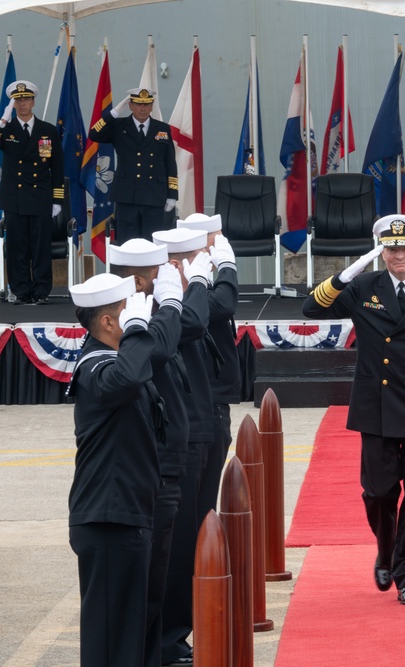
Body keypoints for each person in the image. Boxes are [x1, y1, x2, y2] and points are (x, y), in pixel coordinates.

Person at [302, 214, 405, 606]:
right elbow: (311, 309)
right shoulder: (364, 287)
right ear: (382, 253)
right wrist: (346, 274)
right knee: (377, 493)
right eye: (390, 249)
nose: (399, 255)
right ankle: (387, 549)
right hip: (376, 406)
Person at [66, 271, 181, 667]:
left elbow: (151, 358)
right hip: (108, 519)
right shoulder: (96, 367)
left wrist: (169, 307)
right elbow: (128, 376)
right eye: (127, 311)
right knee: (112, 640)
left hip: (129, 513)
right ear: (109, 322)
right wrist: (137, 329)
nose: (139, 319)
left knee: (134, 631)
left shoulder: (115, 361)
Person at [107, 239, 187, 667]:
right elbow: (159, 349)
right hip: (149, 468)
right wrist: (173, 303)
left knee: (156, 583)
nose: (170, 274)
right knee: (144, 588)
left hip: (162, 461)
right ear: (140, 281)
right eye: (162, 272)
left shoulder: (140, 312)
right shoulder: (126, 320)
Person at [151, 226, 213, 667]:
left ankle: (177, 634)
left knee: (189, 538)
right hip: (176, 436)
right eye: (198, 258)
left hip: (196, 426)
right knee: (174, 551)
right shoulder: (165, 300)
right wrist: (204, 283)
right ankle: (169, 639)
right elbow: (191, 324)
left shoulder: (183, 295)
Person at [175, 213, 241, 531]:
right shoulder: (189, 286)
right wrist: (228, 268)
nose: (222, 245)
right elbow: (223, 305)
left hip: (213, 396)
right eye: (217, 239)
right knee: (199, 506)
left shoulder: (199, 280)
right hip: (205, 401)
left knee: (204, 500)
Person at [0, 80, 64, 305]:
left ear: (33, 101)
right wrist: (2, 121)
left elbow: (57, 166)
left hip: (41, 197)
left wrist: (57, 199)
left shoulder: (48, 130)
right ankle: (20, 290)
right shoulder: (6, 129)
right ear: (13, 104)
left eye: (26, 99)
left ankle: (41, 291)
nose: (22, 103)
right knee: (17, 247)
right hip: (14, 198)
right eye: (17, 100)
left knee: (40, 247)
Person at [89, 88, 178, 243]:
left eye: (146, 104)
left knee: (153, 245)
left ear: (151, 106)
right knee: (127, 244)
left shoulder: (162, 128)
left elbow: (170, 162)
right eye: (137, 104)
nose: (142, 109)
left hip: (154, 196)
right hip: (126, 196)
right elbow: (94, 134)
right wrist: (115, 112)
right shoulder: (118, 125)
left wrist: (172, 194)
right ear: (129, 105)